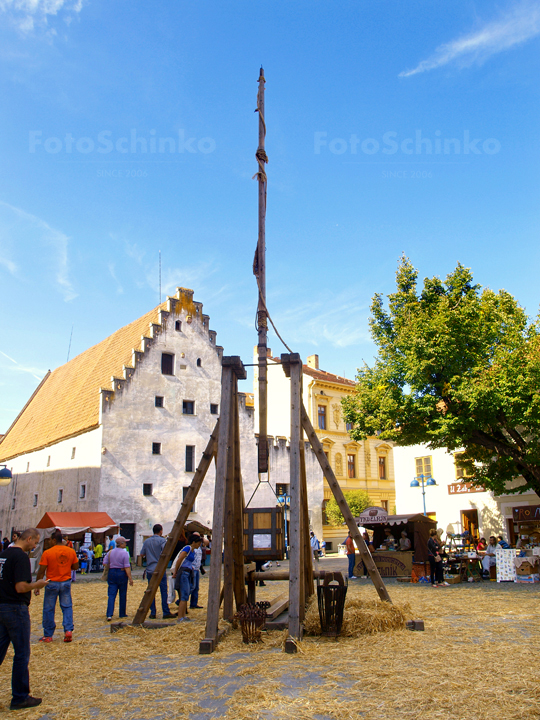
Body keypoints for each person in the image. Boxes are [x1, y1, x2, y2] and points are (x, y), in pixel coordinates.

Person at [0, 528, 49, 709]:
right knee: (21, 653)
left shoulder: (4, 554)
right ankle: (20, 697)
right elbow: (21, 587)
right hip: (15, 608)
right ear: (28, 539)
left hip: (2, 606)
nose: (35, 546)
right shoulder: (21, 557)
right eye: (35, 542)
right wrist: (38, 584)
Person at [34, 529, 79, 643]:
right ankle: (68, 630)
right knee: (67, 606)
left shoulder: (48, 553)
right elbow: (75, 567)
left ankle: (48, 635)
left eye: (50, 540)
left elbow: (41, 570)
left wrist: (37, 585)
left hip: (52, 582)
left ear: (54, 540)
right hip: (65, 582)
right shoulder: (70, 551)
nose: (48, 542)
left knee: (49, 609)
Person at [141, 524, 176, 620]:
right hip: (160, 568)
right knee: (163, 591)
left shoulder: (147, 541)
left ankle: (153, 612)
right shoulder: (162, 541)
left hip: (150, 568)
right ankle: (165, 611)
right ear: (161, 531)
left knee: (151, 592)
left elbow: (142, 553)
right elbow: (165, 553)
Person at [171, 533, 203, 621]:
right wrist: (175, 572)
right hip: (183, 573)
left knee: (187, 592)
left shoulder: (192, 550)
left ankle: (183, 615)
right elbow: (179, 560)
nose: (199, 545)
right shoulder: (187, 548)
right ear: (193, 542)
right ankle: (180, 617)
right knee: (184, 594)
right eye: (198, 543)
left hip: (188, 572)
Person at [103, 537, 133, 621]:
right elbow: (127, 566)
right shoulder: (125, 553)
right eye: (125, 543)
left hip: (112, 572)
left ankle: (109, 614)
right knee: (122, 594)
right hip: (121, 573)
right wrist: (130, 578)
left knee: (111, 595)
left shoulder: (110, 552)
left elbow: (104, 563)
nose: (126, 544)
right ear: (121, 544)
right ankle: (122, 613)